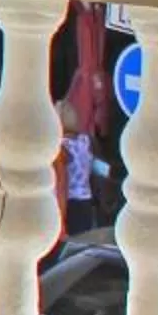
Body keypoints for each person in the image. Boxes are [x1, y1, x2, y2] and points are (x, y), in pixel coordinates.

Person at [58, 101, 99, 237]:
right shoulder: (85, 141)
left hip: (69, 200)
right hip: (86, 198)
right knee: (83, 239)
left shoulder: (62, 146)